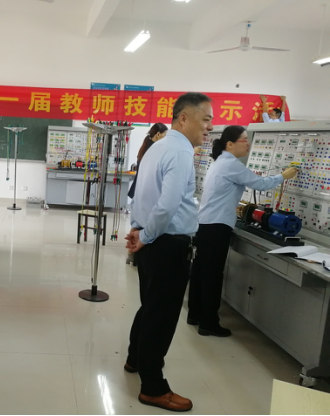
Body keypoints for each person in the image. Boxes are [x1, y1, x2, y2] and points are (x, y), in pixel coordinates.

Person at [125, 92, 214, 412]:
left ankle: (135, 359)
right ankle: (153, 388)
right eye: (205, 119)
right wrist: (147, 235)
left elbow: (140, 195)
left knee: (150, 308)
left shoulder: (158, 146)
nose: (209, 127)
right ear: (183, 118)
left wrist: (138, 231)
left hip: (151, 241)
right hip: (166, 245)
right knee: (161, 318)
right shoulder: (179, 151)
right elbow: (168, 204)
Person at [187, 126, 298, 337]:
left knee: (201, 272)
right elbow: (261, 184)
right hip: (217, 227)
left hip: (205, 224)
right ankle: (208, 323)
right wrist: (283, 176)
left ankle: (195, 314)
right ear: (230, 144)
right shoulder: (231, 165)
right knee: (212, 276)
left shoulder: (219, 162)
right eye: (244, 140)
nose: (248, 144)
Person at [126, 122, 168, 265]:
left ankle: (131, 253)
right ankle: (133, 251)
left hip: (140, 189)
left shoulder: (146, 147)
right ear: (158, 135)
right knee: (143, 222)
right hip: (145, 189)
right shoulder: (154, 150)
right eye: (165, 135)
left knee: (137, 221)